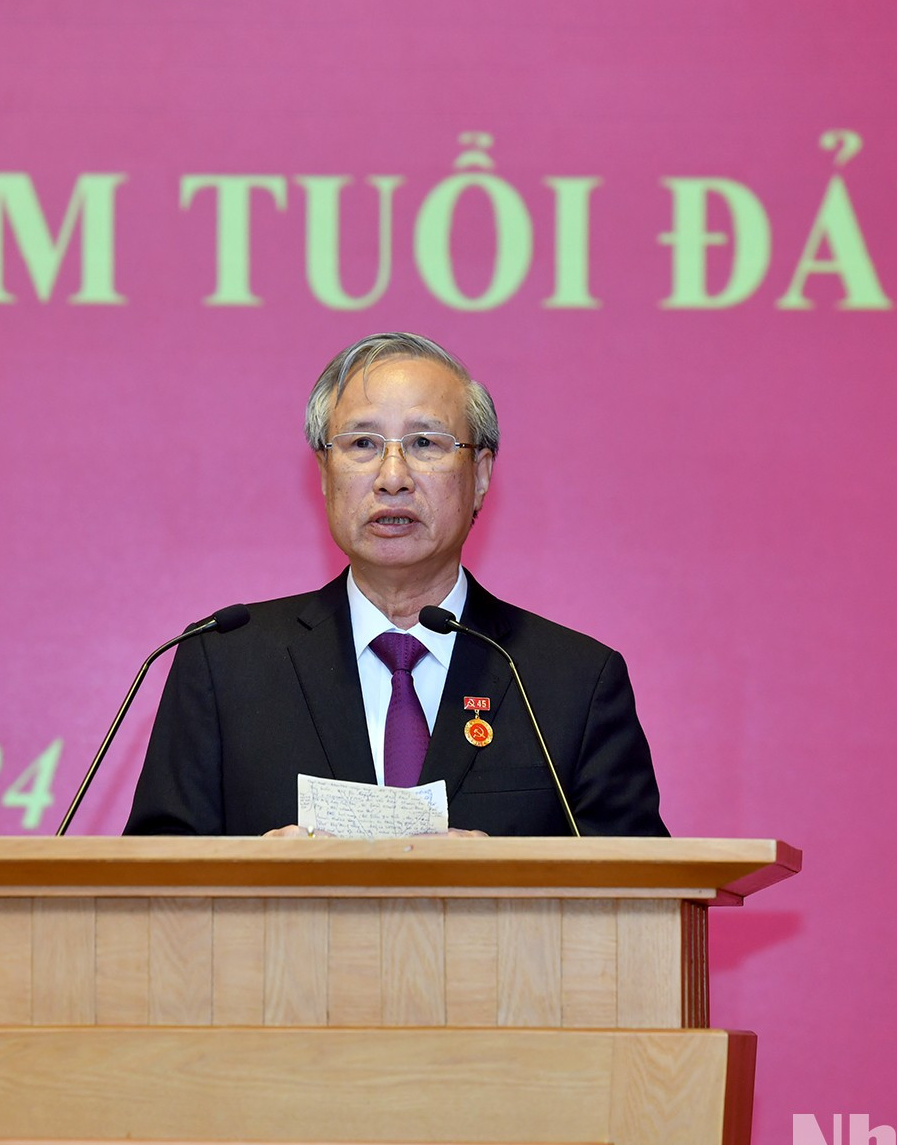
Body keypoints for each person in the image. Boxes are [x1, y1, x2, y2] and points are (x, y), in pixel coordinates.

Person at [124, 332, 667, 838]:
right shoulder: (224, 665)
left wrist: (505, 877)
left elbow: (643, 897)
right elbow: (151, 891)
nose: (392, 476)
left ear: (480, 474)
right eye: (362, 443)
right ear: (324, 474)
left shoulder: (570, 682)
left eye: (425, 442)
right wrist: (257, 879)